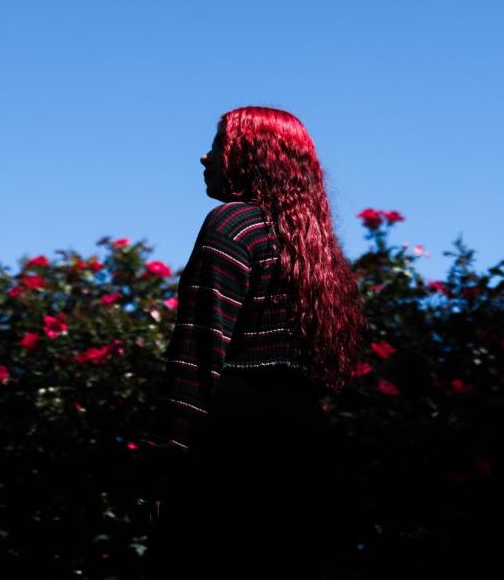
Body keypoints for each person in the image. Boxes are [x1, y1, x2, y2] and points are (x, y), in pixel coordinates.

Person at [140, 106, 367, 579]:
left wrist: (163, 460)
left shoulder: (232, 225)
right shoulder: (318, 253)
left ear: (252, 157)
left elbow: (198, 353)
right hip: (307, 449)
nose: (205, 156)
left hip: (231, 447)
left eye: (220, 143)